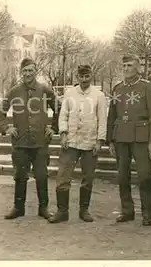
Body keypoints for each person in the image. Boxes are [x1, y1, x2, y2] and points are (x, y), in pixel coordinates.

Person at [0, 58, 60, 220]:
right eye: (25, 71)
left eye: (31, 70)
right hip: (20, 142)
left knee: (41, 175)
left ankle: (43, 208)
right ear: (21, 73)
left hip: (40, 142)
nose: (28, 74)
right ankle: (18, 208)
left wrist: (53, 128)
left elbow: (59, 108)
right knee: (20, 175)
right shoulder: (14, 91)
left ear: (35, 71)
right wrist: (6, 127)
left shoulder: (45, 90)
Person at [106, 55, 151, 226]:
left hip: (141, 138)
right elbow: (112, 115)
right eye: (124, 65)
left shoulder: (148, 87)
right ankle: (127, 211)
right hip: (121, 138)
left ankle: (148, 213)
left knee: (145, 176)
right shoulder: (117, 88)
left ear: (138, 67)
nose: (126, 68)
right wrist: (110, 140)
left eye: (130, 65)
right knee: (123, 177)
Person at [48, 65, 108, 223]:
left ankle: (84, 210)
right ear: (77, 76)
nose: (84, 79)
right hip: (71, 141)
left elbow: (103, 119)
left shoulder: (99, 96)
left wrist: (99, 141)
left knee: (88, 177)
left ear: (91, 76)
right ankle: (62, 211)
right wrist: (62, 134)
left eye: (87, 76)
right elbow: (63, 116)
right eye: (81, 76)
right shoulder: (69, 94)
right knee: (63, 176)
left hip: (90, 141)